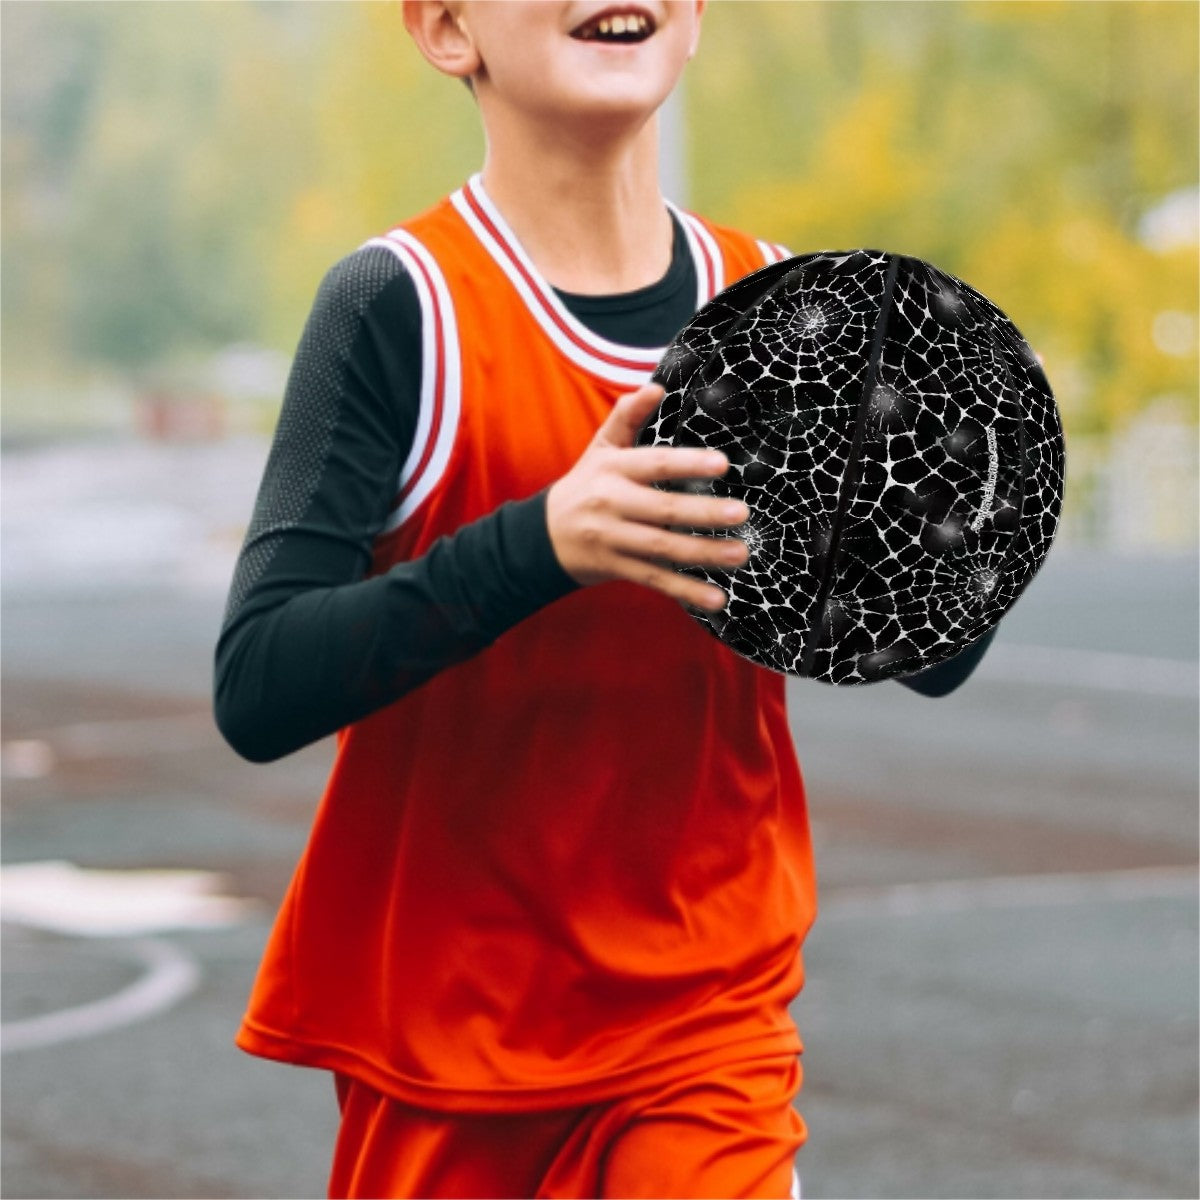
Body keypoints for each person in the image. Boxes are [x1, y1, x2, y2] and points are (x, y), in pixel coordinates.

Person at [214, 2, 993, 1195]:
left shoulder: (786, 311)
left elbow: (937, 655)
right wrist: (541, 545)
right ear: (446, 29)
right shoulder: (400, 304)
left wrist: (924, 510)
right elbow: (258, 682)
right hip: (449, 1031)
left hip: (706, 1021)